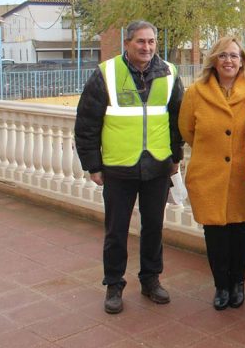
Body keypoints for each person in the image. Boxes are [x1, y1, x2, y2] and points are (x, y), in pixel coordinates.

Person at [75, 20, 184, 314]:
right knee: (116, 231)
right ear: (127, 43)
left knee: (154, 228)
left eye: (151, 41)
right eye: (140, 41)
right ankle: (114, 284)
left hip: (157, 166)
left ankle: (151, 280)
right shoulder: (106, 73)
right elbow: (86, 123)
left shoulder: (170, 73)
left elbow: (177, 121)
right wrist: (93, 165)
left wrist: (175, 157)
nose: (147, 47)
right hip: (118, 167)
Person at [178, 36, 245, 311]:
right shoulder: (195, 92)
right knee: (214, 233)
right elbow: (187, 130)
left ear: (242, 61)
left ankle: (238, 284)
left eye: (234, 56)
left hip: (242, 175)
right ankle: (221, 286)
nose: (228, 61)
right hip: (208, 174)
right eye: (223, 55)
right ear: (213, 60)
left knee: (240, 230)